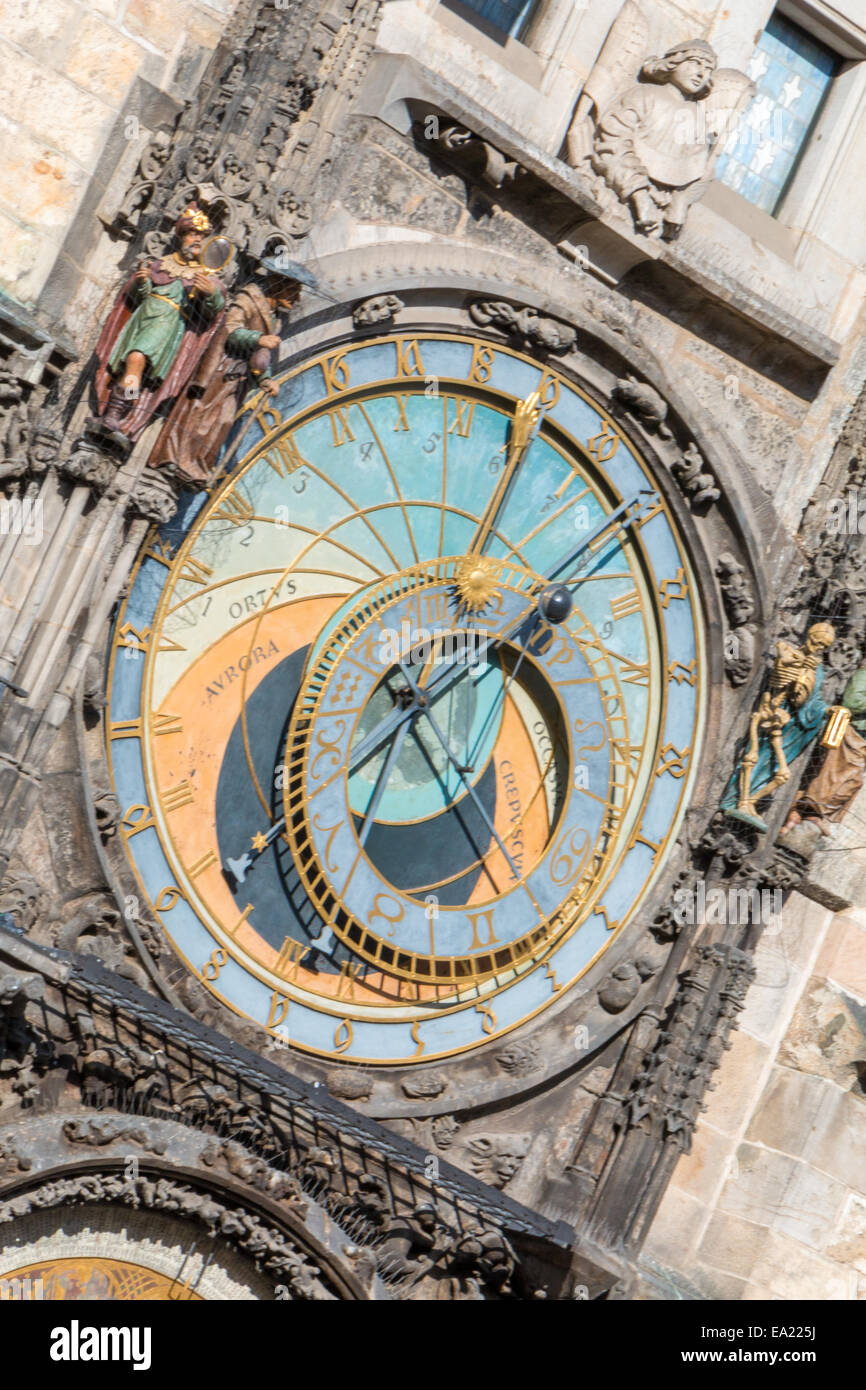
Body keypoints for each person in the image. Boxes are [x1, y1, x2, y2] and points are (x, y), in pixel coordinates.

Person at [149, 258, 312, 485]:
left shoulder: (275, 317)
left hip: (238, 377)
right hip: (220, 368)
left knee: (224, 421)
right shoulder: (248, 298)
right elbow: (230, 328)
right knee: (201, 413)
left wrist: (265, 380)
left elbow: (259, 356)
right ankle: (175, 459)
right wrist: (259, 338)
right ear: (279, 284)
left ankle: (197, 464)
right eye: (295, 289)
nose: (298, 297)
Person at [89, 205, 226, 445]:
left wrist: (211, 293)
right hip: (143, 318)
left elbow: (211, 311)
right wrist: (141, 283)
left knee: (136, 359)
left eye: (201, 237)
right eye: (193, 234)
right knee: (131, 366)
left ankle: (116, 413)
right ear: (181, 236)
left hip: (167, 324)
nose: (197, 241)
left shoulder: (203, 275)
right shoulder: (160, 264)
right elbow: (137, 296)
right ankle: (114, 413)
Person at [591, 39, 719, 239]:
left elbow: (695, 171)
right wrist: (640, 196)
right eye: (695, 62)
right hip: (620, 194)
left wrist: (677, 206)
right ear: (674, 62)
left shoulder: (699, 123)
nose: (702, 74)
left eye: (709, 69)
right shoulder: (643, 95)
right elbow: (612, 144)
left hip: (659, 214)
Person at [722, 622, 836, 831]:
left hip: (786, 721)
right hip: (768, 714)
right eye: (816, 642)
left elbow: (812, 701)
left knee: (783, 774)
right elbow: (780, 663)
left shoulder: (816, 670)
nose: (818, 648)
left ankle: (750, 801)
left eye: (823, 647)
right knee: (752, 758)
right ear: (809, 636)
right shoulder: (787, 650)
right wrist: (800, 665)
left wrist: (827, 711)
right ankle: (740, 800)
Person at [783, 666, 866, 836]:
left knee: (841, 781)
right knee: (843, 779)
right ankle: (810, 812)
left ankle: (798, 819)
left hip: (859, 740)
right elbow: (852, 702)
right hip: (850, 734)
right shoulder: (864, 675)